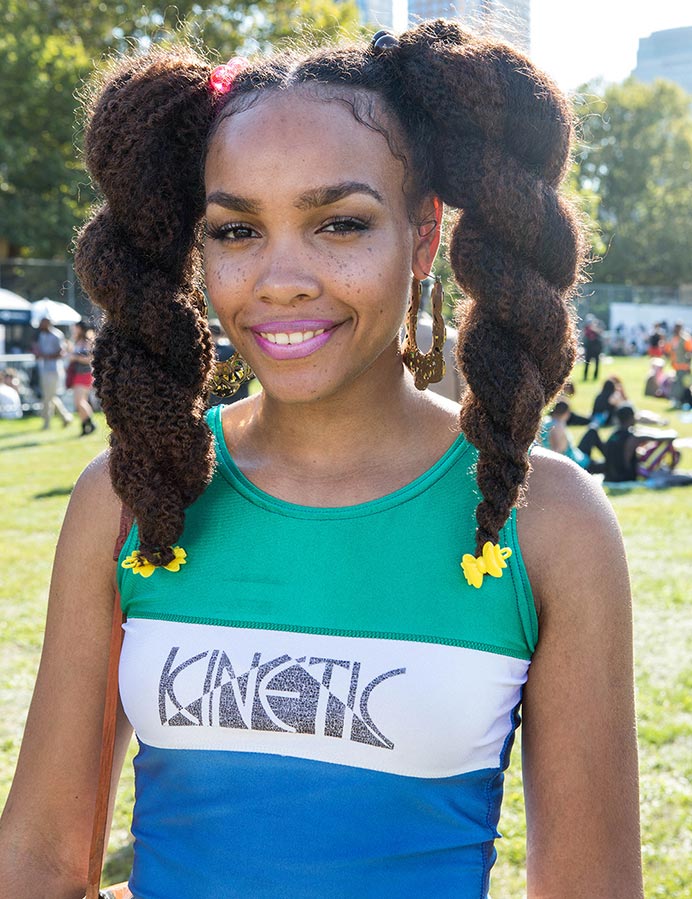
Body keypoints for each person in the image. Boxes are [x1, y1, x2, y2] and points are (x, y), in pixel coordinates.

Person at [0, 21, 643, 898]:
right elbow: (38, 859)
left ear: (424, 237)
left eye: (340, 223)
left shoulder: (548, 522)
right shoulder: (132, 493)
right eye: (236, 230)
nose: (282, 278)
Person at [604, 404, 682, 483]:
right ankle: (670, 469)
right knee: (666, 443)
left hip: (610, 476)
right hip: (626, 477)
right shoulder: (633, 437)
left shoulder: (613, 435)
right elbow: (666, 437)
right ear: (631, 417)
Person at [539, 401, 605, 473]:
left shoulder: (544, 422)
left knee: (592, 432)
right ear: (567, 413)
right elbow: (558, 452)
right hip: (579, 465)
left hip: (578, 456)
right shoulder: (558, 427)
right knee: (608, 465)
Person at [33, 315, 73, 429]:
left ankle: (46, 423)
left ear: (48, 323)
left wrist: (45, 356)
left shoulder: (57, 335)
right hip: (44, 369)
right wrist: (38, 353)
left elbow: (61, 352)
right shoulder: (41, 335)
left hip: (54, 370)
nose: (40, 325)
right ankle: (65, 417)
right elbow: (40, 351)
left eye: (42, 323)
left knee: (47, 397)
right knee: (50, 396)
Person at [69, 320, 97, 435]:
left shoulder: (87, 342)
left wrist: (75, 358)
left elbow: (90, 359)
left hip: (84, 374)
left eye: (76, 328)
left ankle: (91, 422)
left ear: (81, 329)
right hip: (76, 374)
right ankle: (85, 426)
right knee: (79, 402)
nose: (74, 330)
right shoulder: (77, 341)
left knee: (79, 402)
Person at [663, 321, 692, 408]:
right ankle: (682, 401)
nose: (676, 329)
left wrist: (687, 361)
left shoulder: (685, 338)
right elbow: (668, 350)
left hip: (683, 366)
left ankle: (678, 400)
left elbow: (690, 351)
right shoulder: (673, 338)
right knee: (680, 383)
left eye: (678, 327)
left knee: (681, 384)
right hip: (676, 366)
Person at [582, 314, 603, 381]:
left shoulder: (597, 327)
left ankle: (595, 377)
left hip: (596, 349)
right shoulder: (586, 328)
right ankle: (585, 377)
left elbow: (600, 333)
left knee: (597, 364)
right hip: (589, 349)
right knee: (587, 363)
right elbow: (585, 336)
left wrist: (594, 328)